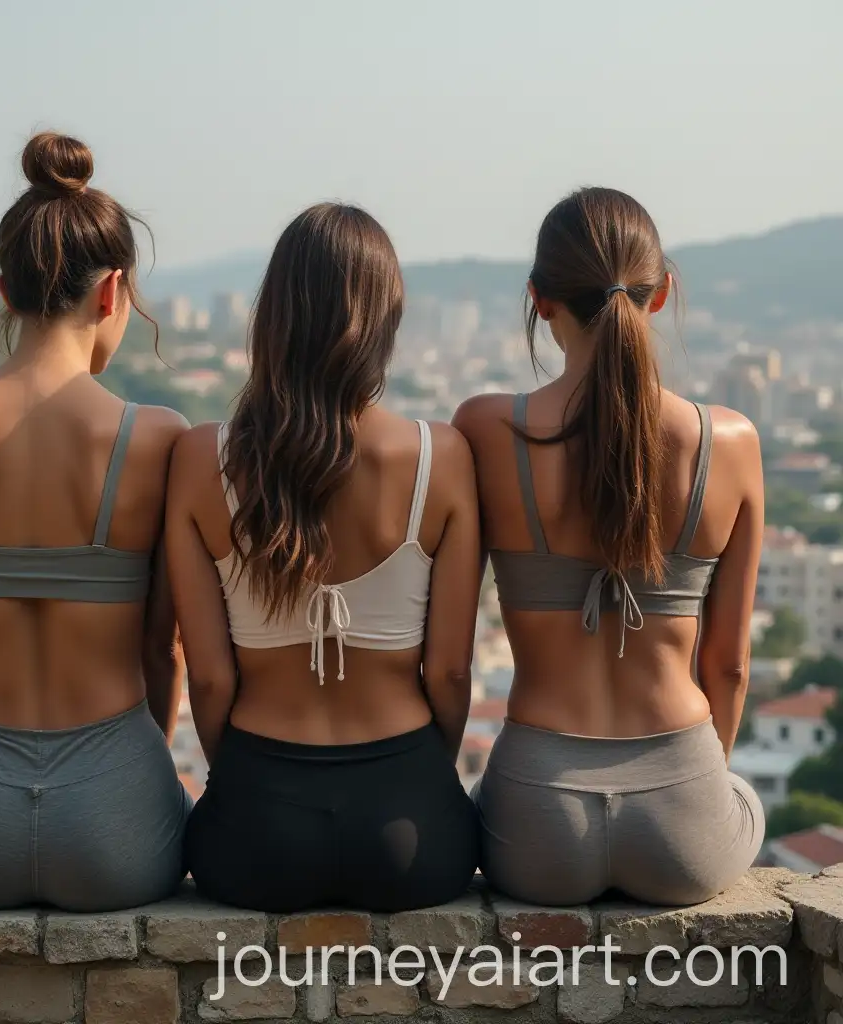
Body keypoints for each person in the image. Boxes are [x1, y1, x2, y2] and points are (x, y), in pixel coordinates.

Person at [0, 132, 191, 911]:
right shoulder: (156, 437)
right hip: (116, 819)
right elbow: (162, 652)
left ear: (4, 289)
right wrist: (127, 780)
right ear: (111, 293)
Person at [166, 203, 481, 913]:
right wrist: (426, 780)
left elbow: (209, 679)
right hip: (413, 831)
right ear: (387, 320)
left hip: (255, 831)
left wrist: (249, 786)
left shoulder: (197, 460)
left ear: (271, 315)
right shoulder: (443, 459)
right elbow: (454, 671)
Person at [454, 187, 765, 907]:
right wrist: (689, 788)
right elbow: (731, 665)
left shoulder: (486, 429)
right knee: (741, 797)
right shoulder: (732, 443)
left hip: (538, 812)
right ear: (661, 295)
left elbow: (451, 654)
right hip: (682, 809)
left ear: (539, 300)